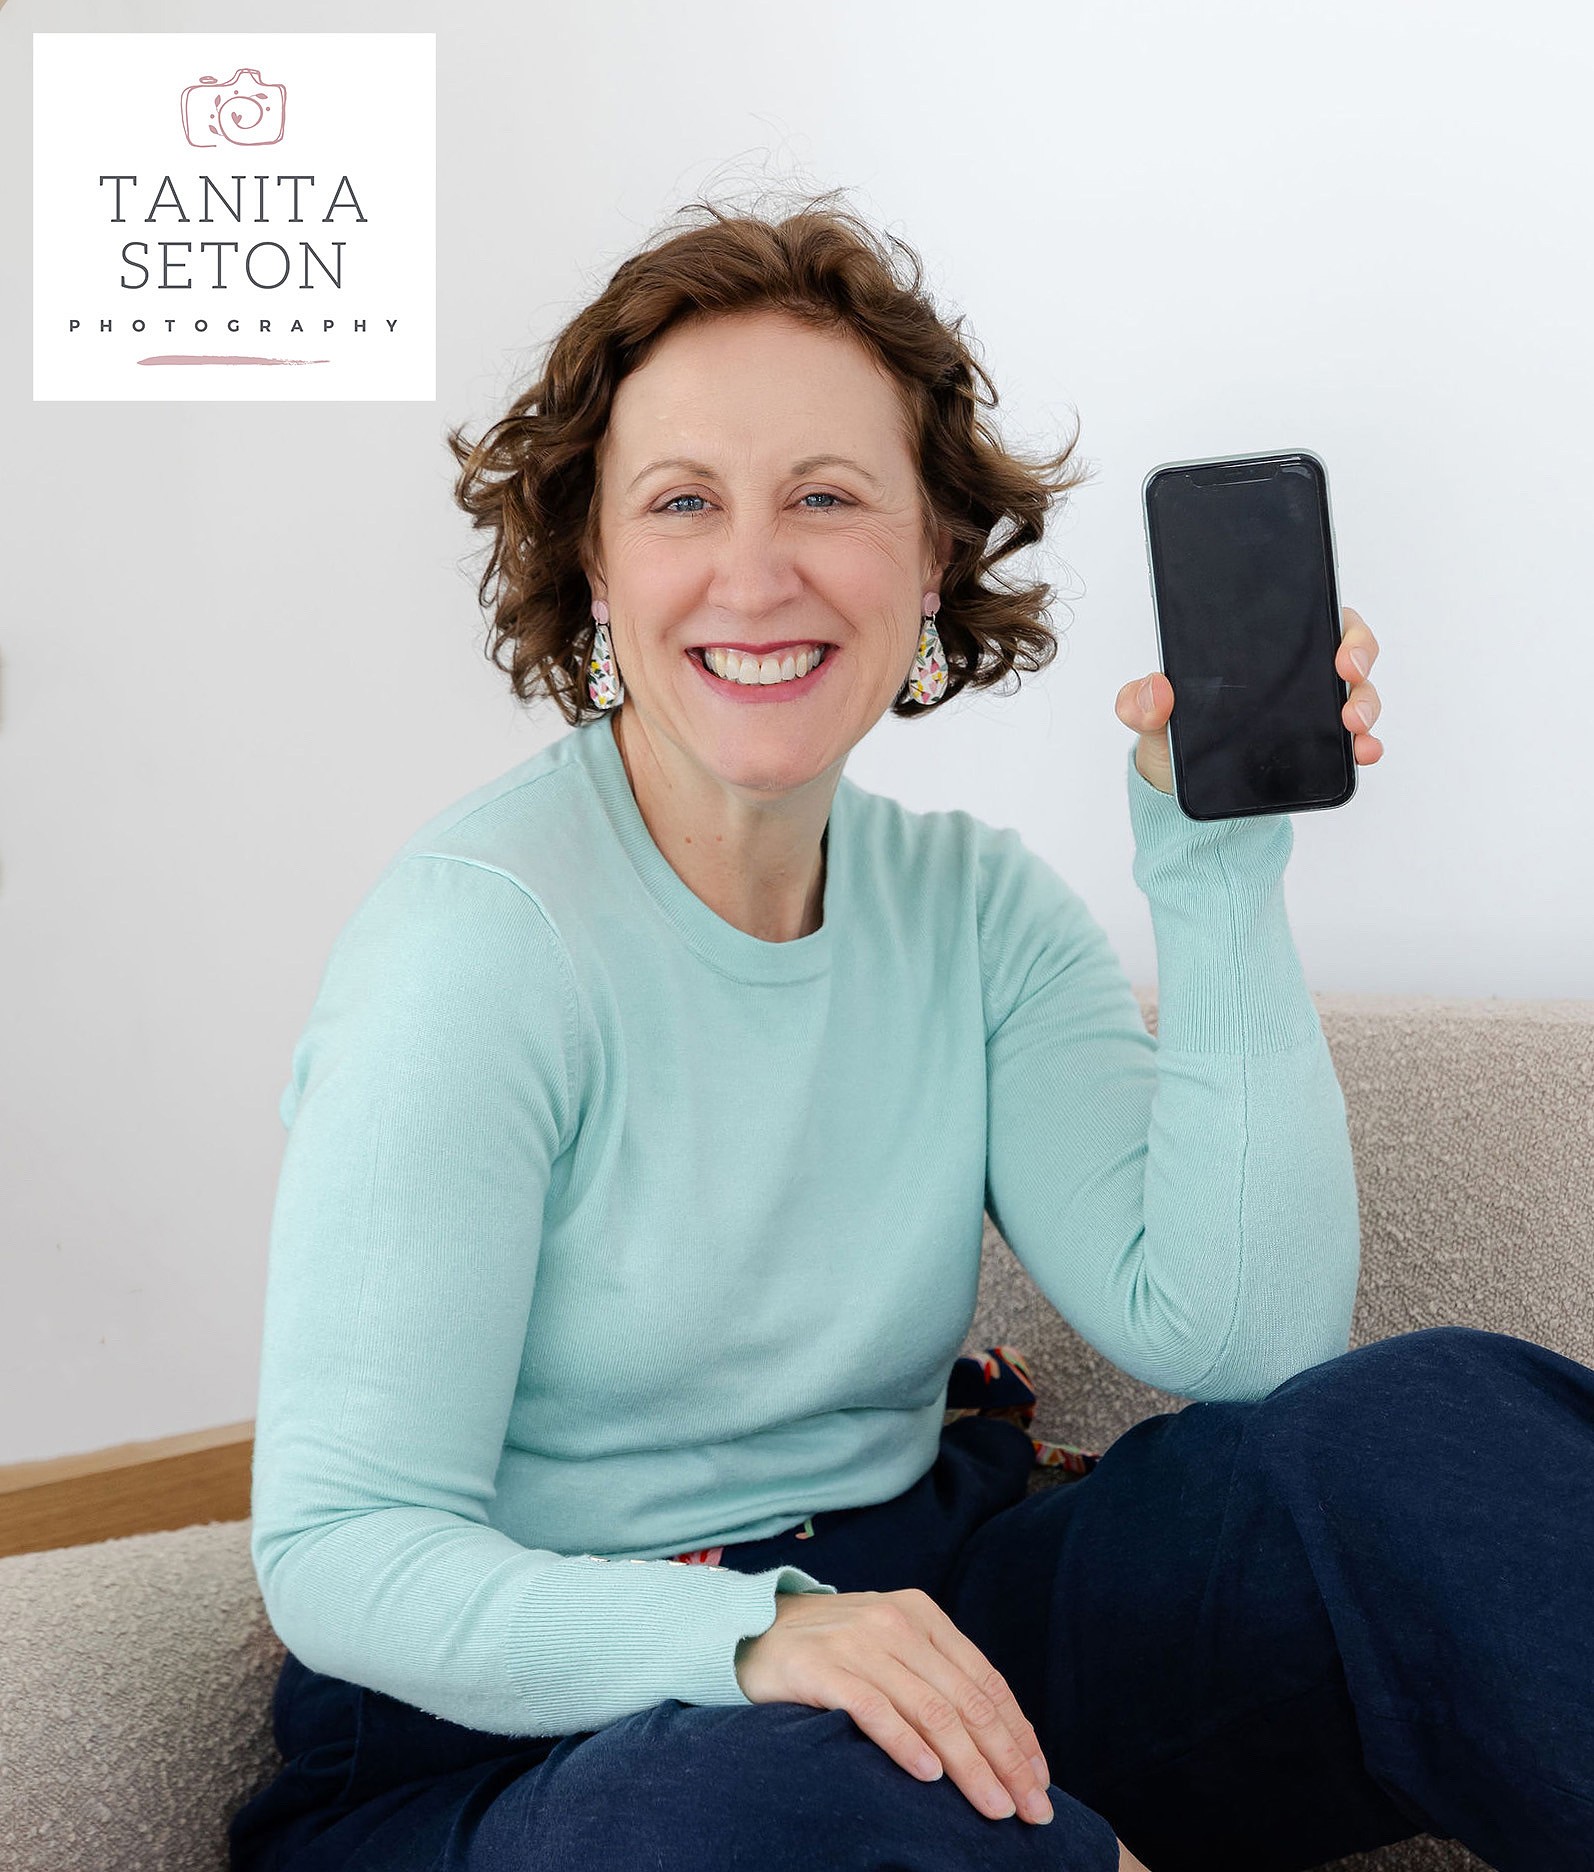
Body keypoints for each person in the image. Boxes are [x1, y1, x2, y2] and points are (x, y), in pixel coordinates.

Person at [229, 192, 1594, 1872]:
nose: (755, 571)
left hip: (922, 1642)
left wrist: (1215, 865)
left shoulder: (977, 911)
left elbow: (1243, 1340)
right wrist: (752, 1643)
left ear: (931, 554)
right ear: (592, 561)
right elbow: (344, 1547)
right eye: (681, 503)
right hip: (536, 1755)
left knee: (1424, 1430)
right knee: (767, 1796)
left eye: (824, 497)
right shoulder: (478, 943)